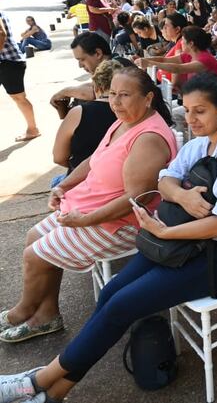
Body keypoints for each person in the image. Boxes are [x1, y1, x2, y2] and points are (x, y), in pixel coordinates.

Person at [0, 73, 217, 403]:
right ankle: (53, 392)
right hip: (186, 240)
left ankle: (39, 381)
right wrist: (183, 197)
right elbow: (166, 178)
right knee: (113, 292)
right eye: (186, 110)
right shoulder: (202, 142)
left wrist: (165, 230)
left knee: (123, 303)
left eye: (199, 111)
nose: (191, 119)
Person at [0, 66, 177, 344]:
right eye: (113, 94)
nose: (116, 102)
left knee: (35, 255)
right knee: (33, 237)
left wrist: (86, 220)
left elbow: (134, 201)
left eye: (125, 95)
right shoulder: (123, 121)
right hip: (87, 207)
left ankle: (22, 311)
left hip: (120, 224)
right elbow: (93, 160)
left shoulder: (148, 139)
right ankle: (46, 314)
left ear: (148, 98)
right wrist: (63, 185)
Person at [51, 60, 120, 186]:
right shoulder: (132, 112)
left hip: (84, 181)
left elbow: (58, 157)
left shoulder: (78, 113)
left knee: (55, 183)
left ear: (96, 87)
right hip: (118, 178)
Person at [0, 11, 40, 142]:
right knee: (19, 98)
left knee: (19, 97)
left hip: (8, 61)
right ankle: (33, 129)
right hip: (9, 61)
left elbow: (1, 34)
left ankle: (33, 129)